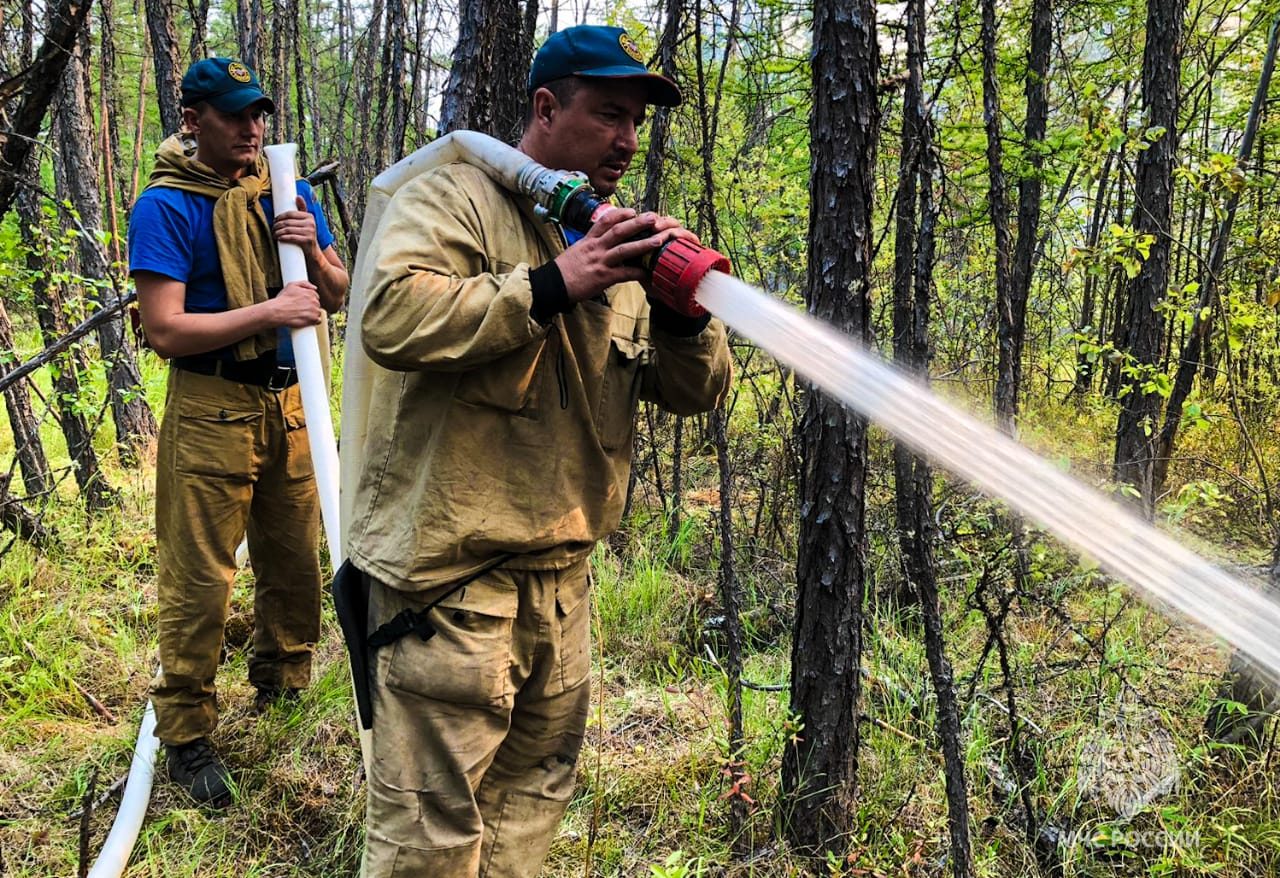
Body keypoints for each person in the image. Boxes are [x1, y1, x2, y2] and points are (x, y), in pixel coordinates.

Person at [344, 23, 732, 877]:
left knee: (527, 818)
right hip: (448, 591)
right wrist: (557, 282)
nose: (628, 140)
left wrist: (680, 313)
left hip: (563, 592)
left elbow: (695, 392)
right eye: (608, 114)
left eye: (636, 121)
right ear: (547, 108)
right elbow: (391, 317)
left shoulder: (615, 236)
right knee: (427, 842)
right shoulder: (453, 200)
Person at [128, 57, 348, 806]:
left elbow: (340, 292)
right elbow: (164, 329)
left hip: (294, 405)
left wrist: (312, 245)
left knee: (294, 562)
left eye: (258, 113)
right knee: (200, 579)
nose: (253, 128)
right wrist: (270, 314)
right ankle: (187, 736)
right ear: (194, 119)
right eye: (233, 115)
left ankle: (283, 687)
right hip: (212, 407)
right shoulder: (167, 205)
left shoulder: (286, 190)